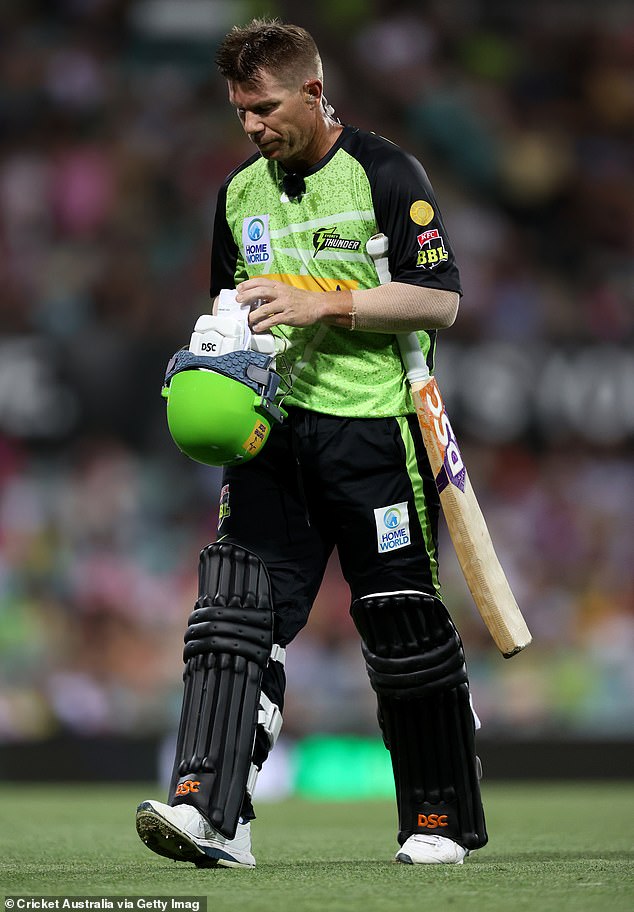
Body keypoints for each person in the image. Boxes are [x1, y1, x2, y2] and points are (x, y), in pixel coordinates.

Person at [135, 18, 488, 869]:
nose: (251, 127)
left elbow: (440, 301)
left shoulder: (387, 172)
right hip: (274, 436)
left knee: (400, 625)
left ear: (314, 93)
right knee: (231, 620)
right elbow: (228, 309)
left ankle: (435, 821)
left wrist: (320, 301)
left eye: (263, 108)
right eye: (239, 112)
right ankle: (212, 816)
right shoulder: (236, 195)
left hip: (374, 435)